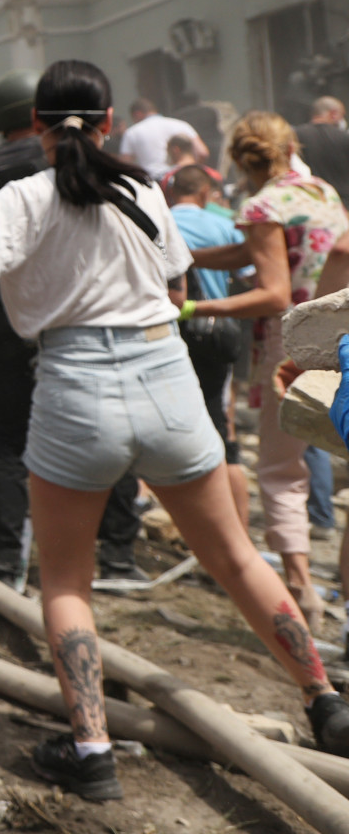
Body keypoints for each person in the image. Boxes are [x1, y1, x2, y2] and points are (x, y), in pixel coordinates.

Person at [0, 59, 349, 801]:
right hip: (166, 378)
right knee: (235, 557)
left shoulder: (21, 197)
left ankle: (93, 750)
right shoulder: (144, 191)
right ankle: (325, 702)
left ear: (36, 127)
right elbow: (174, 285)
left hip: (74, 387)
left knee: (66, 581)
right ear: (109, 123)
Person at [0, 70, 146, 586]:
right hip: (89, 320)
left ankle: (3, 559)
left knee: (10, 440)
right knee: (112, 433)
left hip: (11, 320)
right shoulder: (110, 168)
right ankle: (117, 557)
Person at [181, 111, 349, 630]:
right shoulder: (320, 192)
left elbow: (273, 289)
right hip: (337, 331)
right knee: (327, 447)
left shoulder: (260, 205)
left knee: (280, 469)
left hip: (289, 339)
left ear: (238, 158)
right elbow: (261, 252)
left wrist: (190, 309)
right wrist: (192, 257)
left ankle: (301, 587)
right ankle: (334, 587)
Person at [168, 165, 251, 527]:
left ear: (172, 192)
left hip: (171, 333)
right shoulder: (221, 225)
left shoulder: (160, 219)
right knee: (220, 422)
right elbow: (250, 274)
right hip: (217, 331)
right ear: (205, 193)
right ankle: (234, 525)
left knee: (173, 419)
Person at [117, 96, 207, 179]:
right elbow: (202, 152)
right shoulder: (181, 125)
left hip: (153, 182)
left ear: (137, 114)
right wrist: (192, 171)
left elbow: (125, 165)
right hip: (185, 177)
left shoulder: (132, 132)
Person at [296, 96, 349, 204]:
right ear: (333, 113)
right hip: (343, 203)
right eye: (342, 115)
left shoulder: (295, 136)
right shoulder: (344, 137)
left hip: (309, 200)